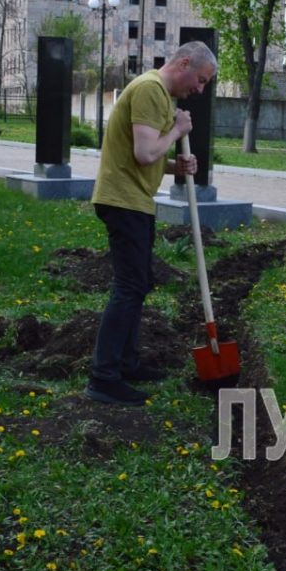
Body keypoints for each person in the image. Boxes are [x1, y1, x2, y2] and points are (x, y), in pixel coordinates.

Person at [86, 42, 217, 405]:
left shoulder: (160, 95)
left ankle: (126, 363)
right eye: (201, 80)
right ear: (185, 63)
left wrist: (177, 166)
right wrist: (176, 132)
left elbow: (144, 153)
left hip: (136, 200)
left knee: (139, 283)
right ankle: (103, 377)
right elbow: (145, 154)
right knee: (128, 287)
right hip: (122, 200)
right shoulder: (149, 89)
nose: (200, 89)